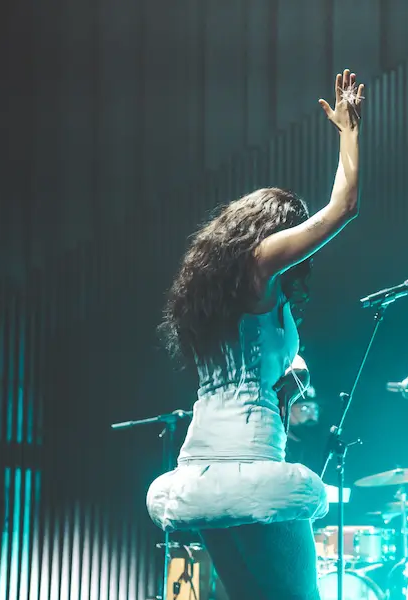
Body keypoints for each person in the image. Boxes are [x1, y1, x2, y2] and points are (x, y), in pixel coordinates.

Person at [147, 69, 365, 599]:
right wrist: (349, 131)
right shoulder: (259, 266)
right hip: (251, 468)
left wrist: (281, 385)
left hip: (198, 469)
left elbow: (242, 377)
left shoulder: (210, 291)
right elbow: (345, 206)